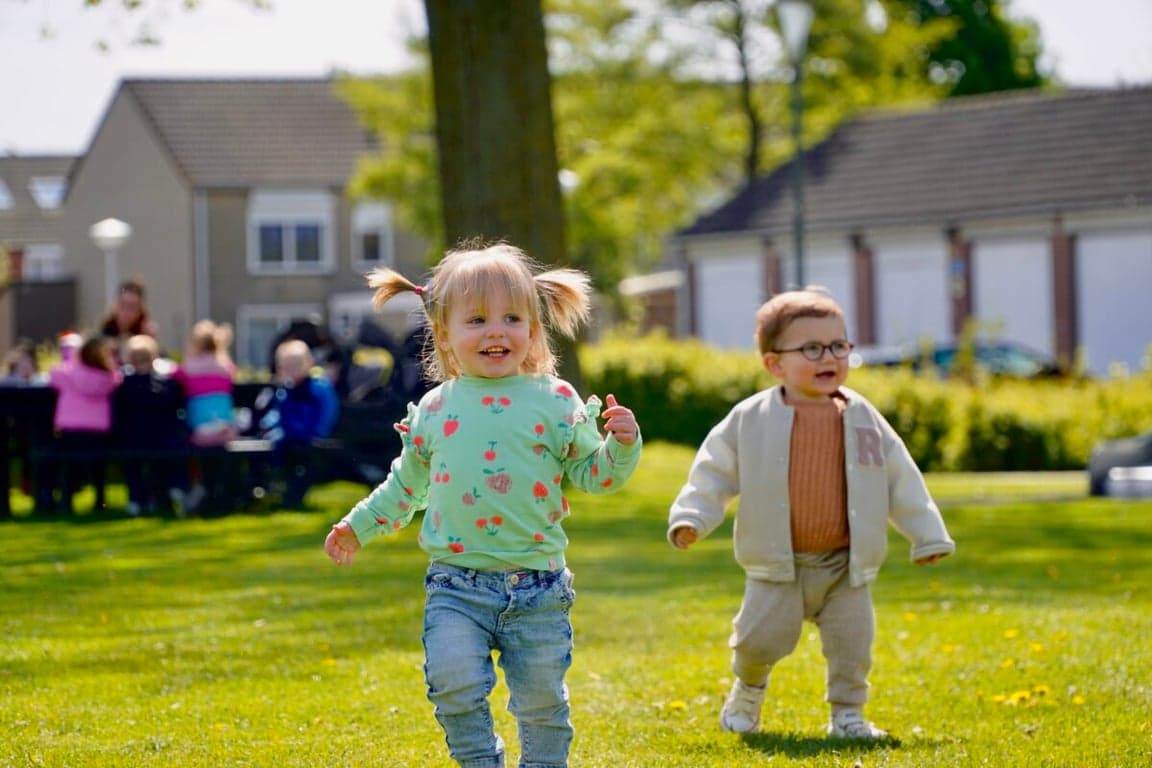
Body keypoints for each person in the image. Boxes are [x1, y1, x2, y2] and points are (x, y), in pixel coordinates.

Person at [324, 242, 643, 768]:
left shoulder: (555, 400)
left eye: (512, 318)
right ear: (444, 332)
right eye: (477, 320)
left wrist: (621, 446)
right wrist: (358, 525)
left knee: (542, 704)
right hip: (456, 586)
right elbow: (406, 487)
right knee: (451, 684)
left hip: (538, 588)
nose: (496, 332)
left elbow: (595, 475)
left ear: (533, 329)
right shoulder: (435, 408)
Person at [667, 287, 955, 741]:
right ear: (774, 364)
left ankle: (848, 714)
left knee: (853, 644)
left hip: (845, 562)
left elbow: (900, 476)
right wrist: (693, 516)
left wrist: (927, 534)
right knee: (758, 642)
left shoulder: (862, 417)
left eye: (839, 345)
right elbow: (713, 471)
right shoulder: (751, 418)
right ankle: (748, 689)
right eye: (813, 349)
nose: (830, 358)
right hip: (777, 564)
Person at [255, 338, 339, 507]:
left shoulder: (319, 388)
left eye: (296, 365)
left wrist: (319, 432)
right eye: (287, 366)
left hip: (311, 438)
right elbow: (276, 414)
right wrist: (267, 426)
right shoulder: (284, 391)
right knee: (264, 450)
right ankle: (265, 486)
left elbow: (328, 412)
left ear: (310, 363)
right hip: (286, 438)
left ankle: (291, 496)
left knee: (305, 459)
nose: (292, 370)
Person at [112, 335, 190, 517]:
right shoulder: (167, 384)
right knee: (160, 462)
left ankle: (137, 499)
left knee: (136, 464)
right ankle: (160, 497)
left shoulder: (124, 386)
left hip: (137, 439)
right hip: (159, 438)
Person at [48, 334, 122, 513]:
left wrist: (72, 359)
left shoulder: (68, 373)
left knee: (70, 466)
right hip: (98, 429)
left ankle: (66, 501)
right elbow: (118, 378)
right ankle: (100, 500)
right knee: (98, 466)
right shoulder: (109, 377)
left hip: (70, 428)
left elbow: (53, 375)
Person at [173, 320, 238, 510]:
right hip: (225, 429)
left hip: (200, 429)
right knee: (216, 460)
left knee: (190, 452)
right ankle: (216, 494)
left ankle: (198, 490)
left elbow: (175, 378)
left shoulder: (188, 367)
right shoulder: (226, 366)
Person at [100, 277, 159, 362]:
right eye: (123, 305)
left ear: (140, 310)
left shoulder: (146, 333)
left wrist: (151, 342)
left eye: (132, 306)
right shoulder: (105, 330)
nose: (126, 312)